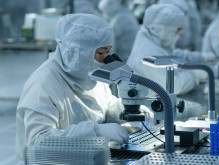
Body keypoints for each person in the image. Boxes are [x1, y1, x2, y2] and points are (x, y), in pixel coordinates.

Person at [15, 14, 152, 165]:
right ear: (76, 52)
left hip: (87, 158)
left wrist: (126, 111)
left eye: (108, 52)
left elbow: (103, 105)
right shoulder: (43, 85)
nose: (105, 59)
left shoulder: (90, 74)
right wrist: (96, 131)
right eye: (101, 53)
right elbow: (39, 142)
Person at [127, 4, 198, 95]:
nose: (179, 33)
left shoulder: (150, 38)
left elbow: (169, 58)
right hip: (149, 105)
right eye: (177, 30)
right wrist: (194, 76)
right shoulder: (148, 52)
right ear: (162, 29)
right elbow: (170, 87)